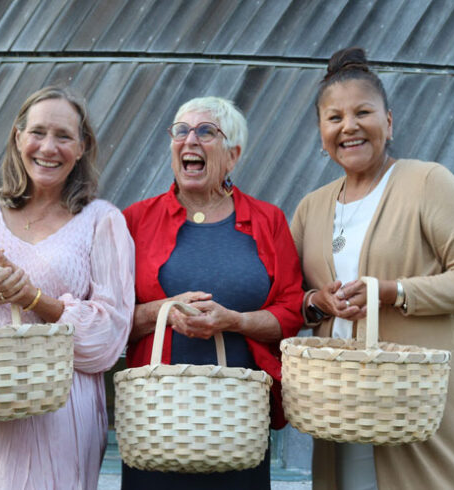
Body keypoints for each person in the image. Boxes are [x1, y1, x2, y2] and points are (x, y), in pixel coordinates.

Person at [290, 48, 454, 490]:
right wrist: (314, 302)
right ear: (321, 131)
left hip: (416, 413)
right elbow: (288, 297)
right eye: (334, 117)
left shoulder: (428, 182)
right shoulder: (311, 207)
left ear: (389, 121)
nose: (349, 126)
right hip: (340, 415)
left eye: (363, 112)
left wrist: (392, 291)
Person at [0, 86, 135, 490]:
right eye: (37, 132)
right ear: (18, 137)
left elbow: (108, 337)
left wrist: (32, 298)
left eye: (64, 136)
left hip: (56, 417)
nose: (48, 147)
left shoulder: (102, 221)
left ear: (83, 146)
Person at [121, 96, 304, 489]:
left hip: (237, 423)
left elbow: (291, 312)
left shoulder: (268, 220)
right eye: (181, 131)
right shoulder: (135, 220)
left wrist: (235, 321)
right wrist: (162, 312)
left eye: (207, 132)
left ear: (233, 156)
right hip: (155, 420)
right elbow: (110, 316)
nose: (190, 140)